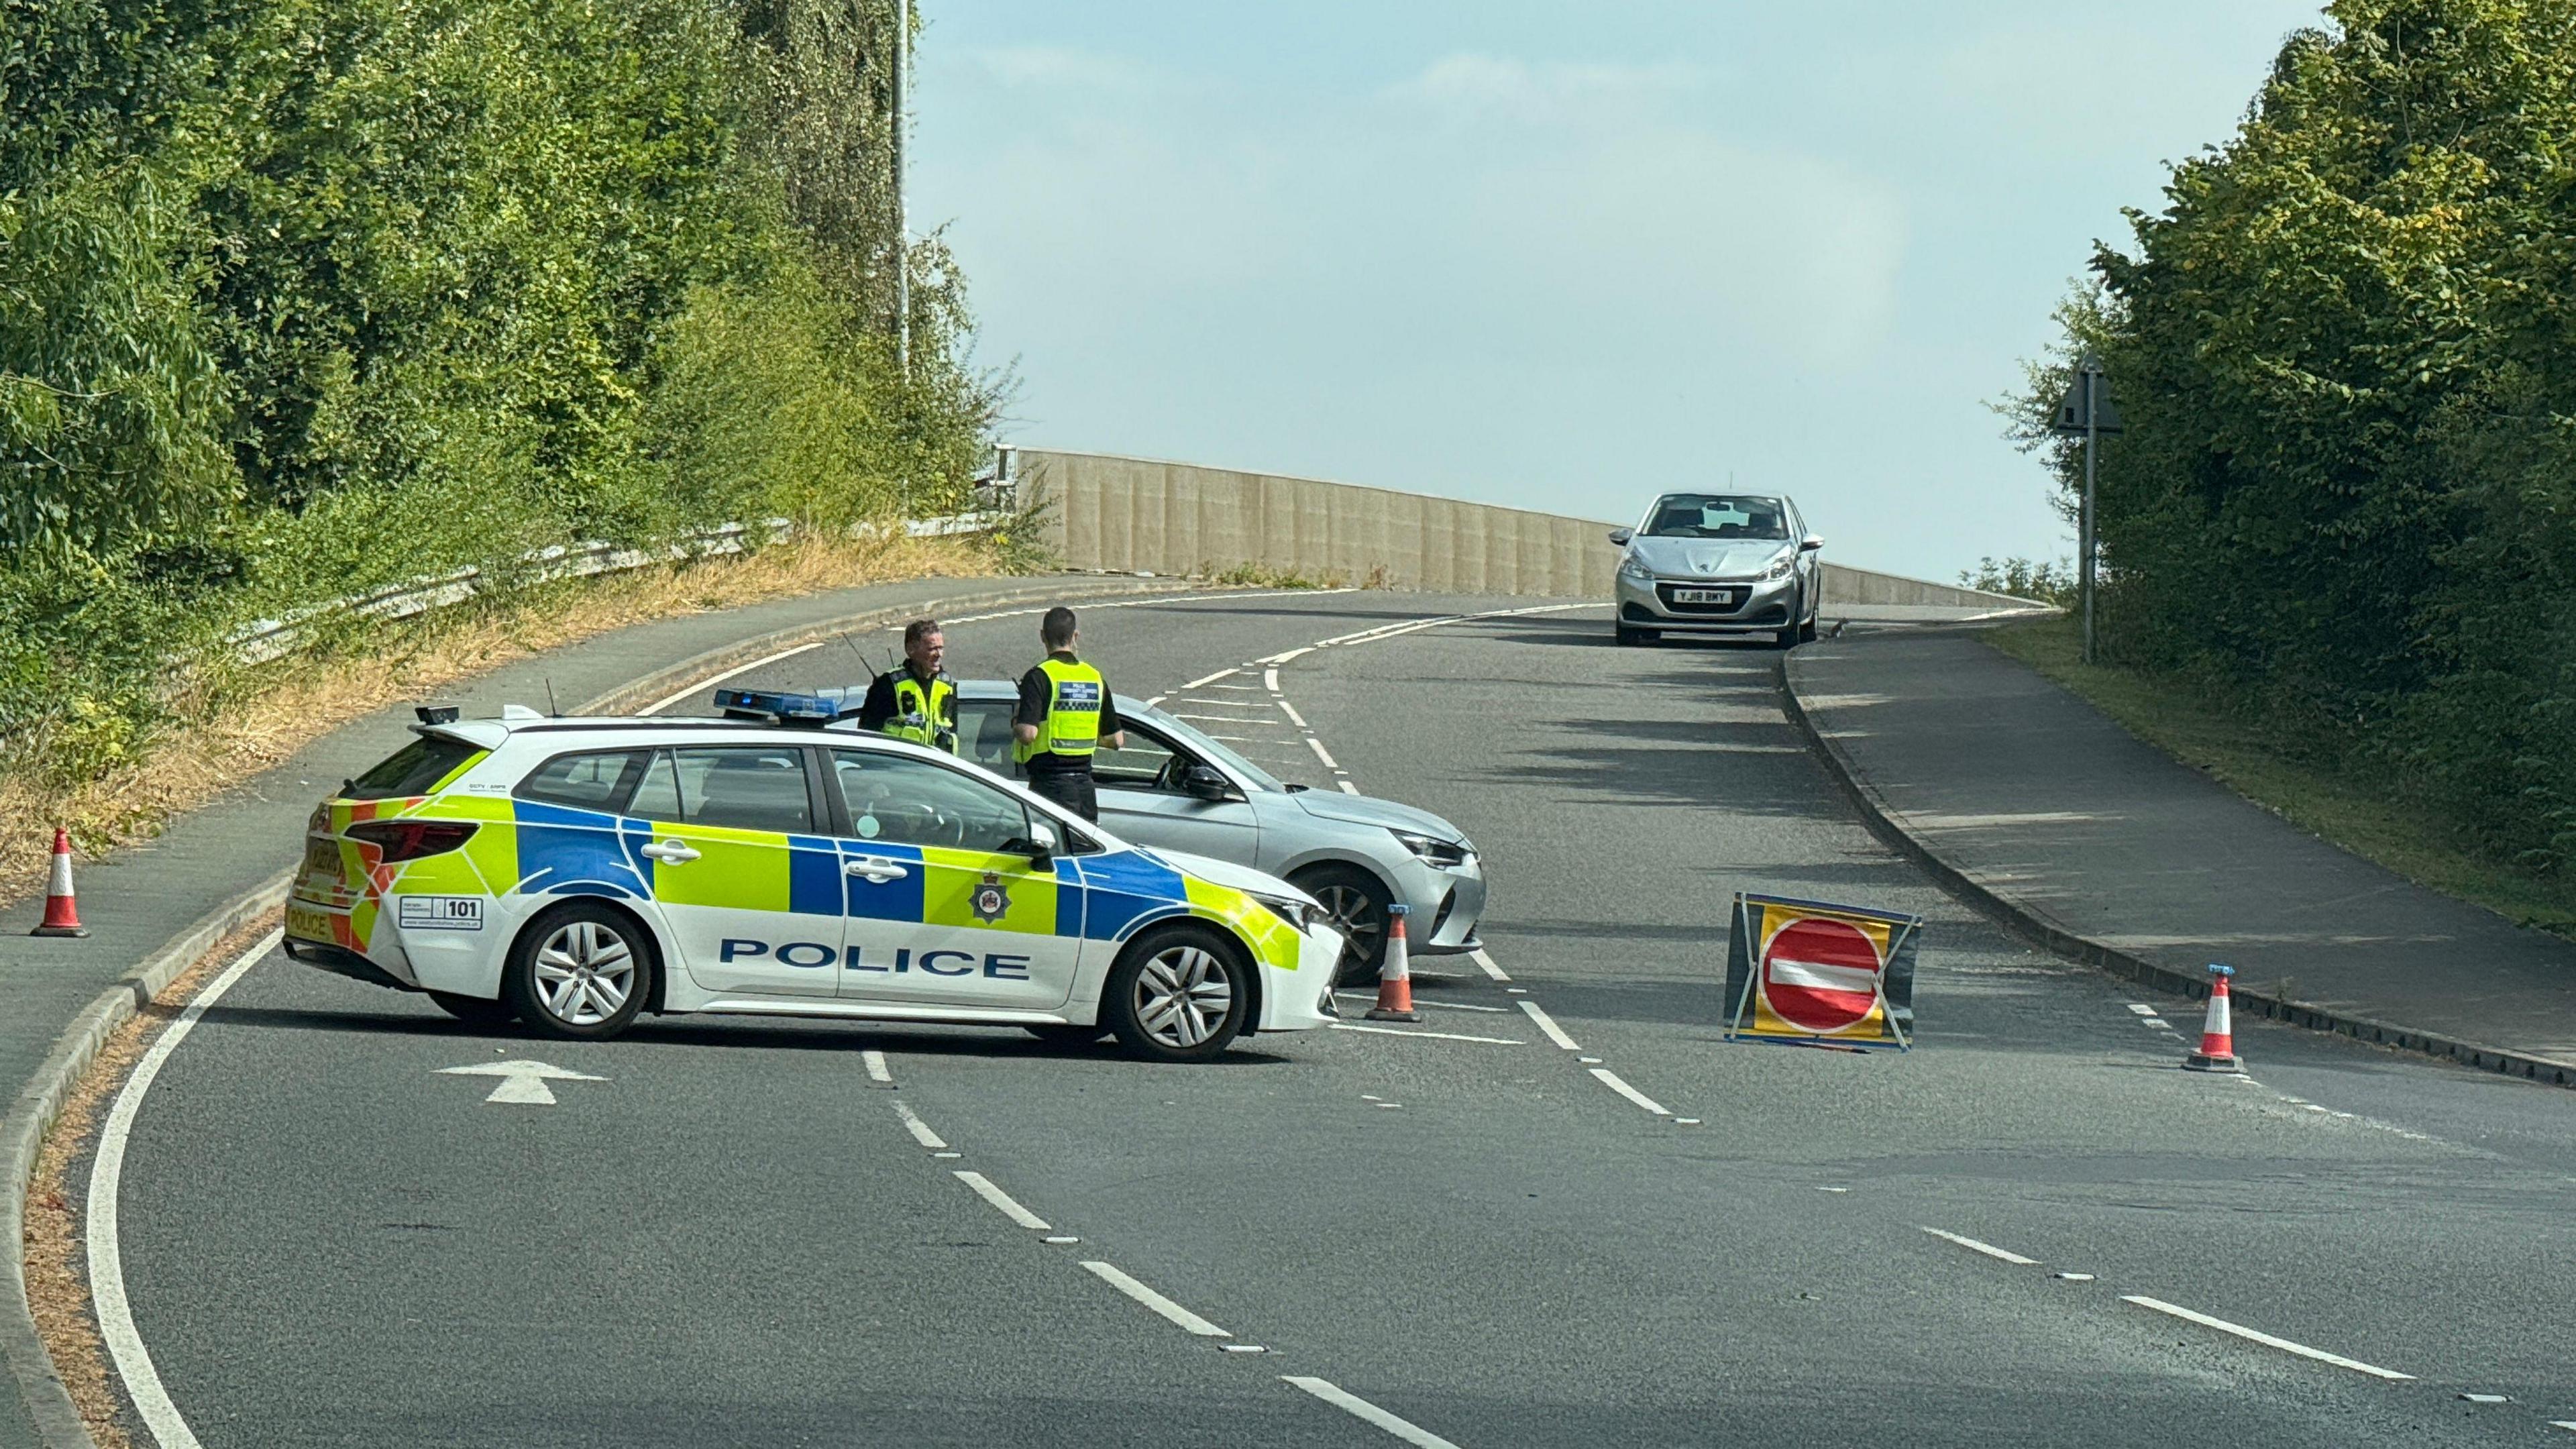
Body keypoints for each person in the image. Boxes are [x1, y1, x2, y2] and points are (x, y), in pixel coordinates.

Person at [1012, 606, 1122, 820]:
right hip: (1086, 790)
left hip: (1050, 787)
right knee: (1083, 851)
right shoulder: (1094, 678)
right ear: (1075, 636)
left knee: (1054, 851)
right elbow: (1116, 740)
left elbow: (1028, 734)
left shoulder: (1039, 676)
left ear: (1043, 636)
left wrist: (1016, 722)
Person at [855, 618, 959, 753]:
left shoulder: (948, 686)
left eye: (941, 648)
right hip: (896, 769)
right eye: (932, 649)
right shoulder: (888, 684)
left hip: (935, 769)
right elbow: (867, 735)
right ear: (911, 650)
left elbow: (952, 730)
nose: (938, 655)